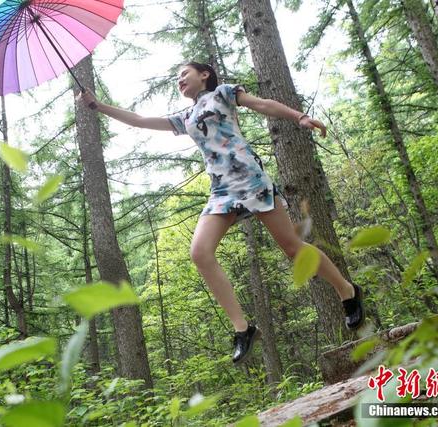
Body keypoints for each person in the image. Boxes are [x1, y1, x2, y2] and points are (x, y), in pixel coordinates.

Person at [77, 62, 365, 365]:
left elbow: (262, 103)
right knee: (200, 253)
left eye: (183, 74)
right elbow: (138, 120)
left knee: (293, 248)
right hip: (222, 191)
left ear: (205, 74)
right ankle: (243, 329)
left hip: (250, 178)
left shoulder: (225, 93)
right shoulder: (185, 117)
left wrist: (300, 117)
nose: (180, 80)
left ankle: (347, 291)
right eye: (176, 78)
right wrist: (98, 105)